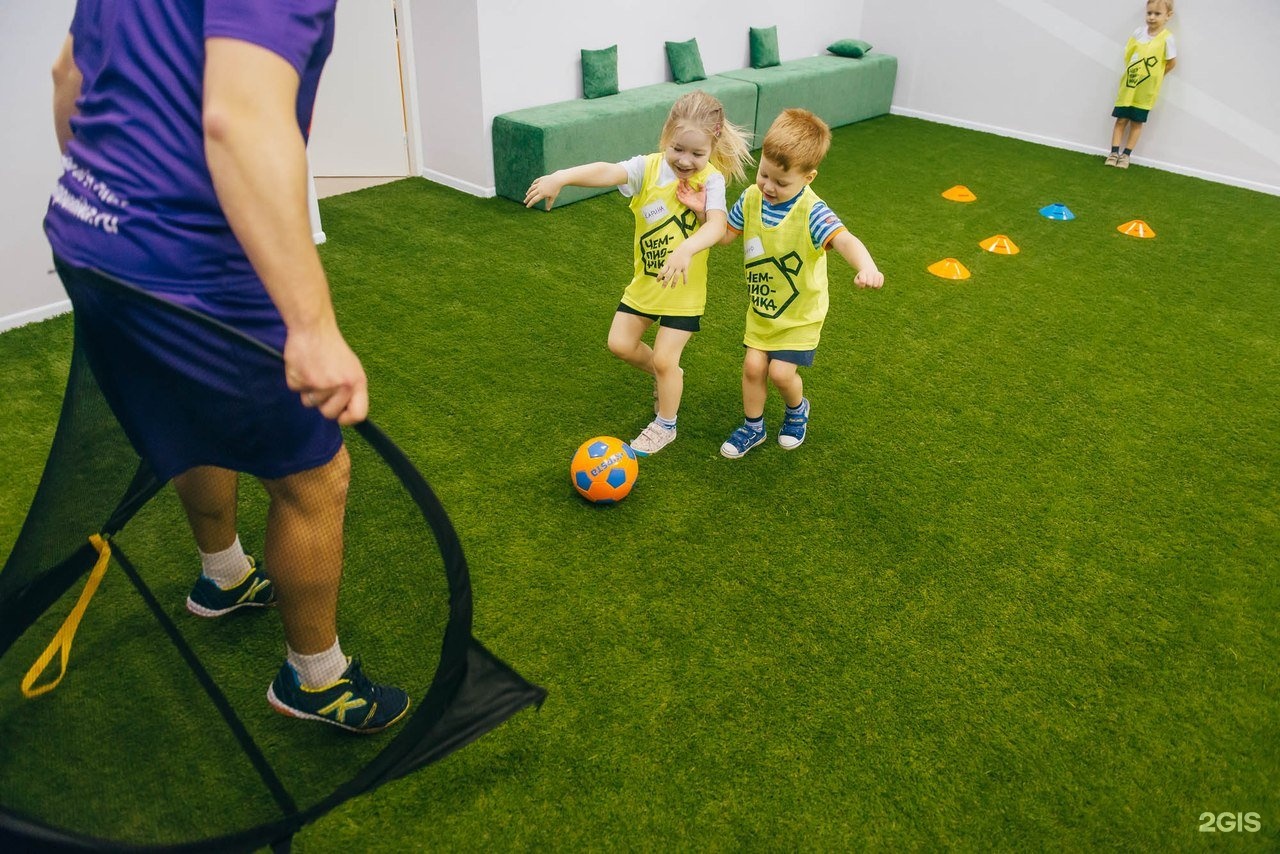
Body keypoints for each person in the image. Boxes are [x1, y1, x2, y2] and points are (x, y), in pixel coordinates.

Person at [45, 0, 408, 733]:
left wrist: (116, 212)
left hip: (86, 234)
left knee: (187, 415)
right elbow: (238, 121)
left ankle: (224, 577)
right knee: (315, 477)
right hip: (195, 272)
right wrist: (311, 328)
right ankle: (316, 681)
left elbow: (67, 72)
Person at [523, 91, 753, 455]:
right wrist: (561, 177)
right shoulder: (647, 168)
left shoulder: (711, 181)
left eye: (698, 153)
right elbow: (606, 170)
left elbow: (715, 227)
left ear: (713, 146)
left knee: (665, 357)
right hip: (646, 284)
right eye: (678, 149)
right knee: (621, 344)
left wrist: (687, 248)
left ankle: (666, 424)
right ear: (666, 136)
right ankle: (669, 379)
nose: (686, 160)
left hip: (684, 290)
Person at [708, 109, 884, 459]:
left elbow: (846, 240)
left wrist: (868, 266)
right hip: (763, 309)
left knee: (780, 372)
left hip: (801, 314)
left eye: (781, 182)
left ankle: (796, 409)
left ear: (809, 177)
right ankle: (753, 428)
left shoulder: (813, 212)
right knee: (753, 366)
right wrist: (702, 213)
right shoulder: (751, 199)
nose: (769, 186)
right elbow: (726, 236)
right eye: (764, 174)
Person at [1105, 0, 1177, 168]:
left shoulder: (1167, 38)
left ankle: (1126, 155)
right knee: (1121, 119)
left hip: (1146, 91)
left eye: (1157, 14)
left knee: (1137, 122)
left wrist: (1156, 76)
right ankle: (1114, 152)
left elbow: (1171, 63)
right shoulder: (1138, 33)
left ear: (1168, 16)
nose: (1152, 17)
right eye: (1149, 13)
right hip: (1129, 86)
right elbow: (1128, 54)